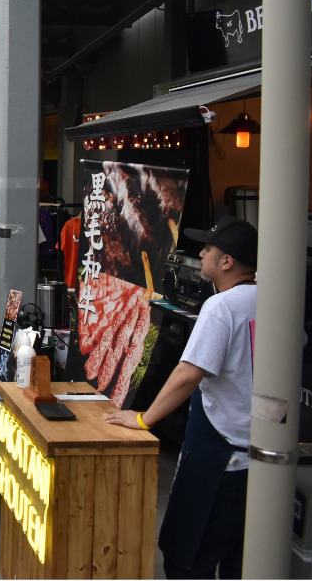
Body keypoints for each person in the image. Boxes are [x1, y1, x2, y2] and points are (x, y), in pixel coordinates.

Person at [106, 216, 257, 579]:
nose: (200, 253)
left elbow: (188, 373)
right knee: (241, 563)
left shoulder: (221, 307)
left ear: (227, 261)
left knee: (184, 559)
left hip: (220, 458)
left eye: (208, 248)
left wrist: (143, 418)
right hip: (258, 459)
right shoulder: (274, 300)